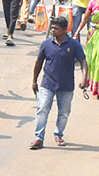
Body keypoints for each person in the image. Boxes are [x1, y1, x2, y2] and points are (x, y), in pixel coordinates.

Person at [30, 16, 89, 148]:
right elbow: (38, 63)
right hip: (47, 84)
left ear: (64, 30)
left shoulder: (74, 45)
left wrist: (84, 78)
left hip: (66, 85)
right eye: (52, 28)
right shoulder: (46, 44)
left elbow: (83, 61)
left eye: (56, 28)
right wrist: (34, 81)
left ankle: (58, 134)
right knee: (42, 109)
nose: (52, 30)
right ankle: (38, 138)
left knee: (64, 112)